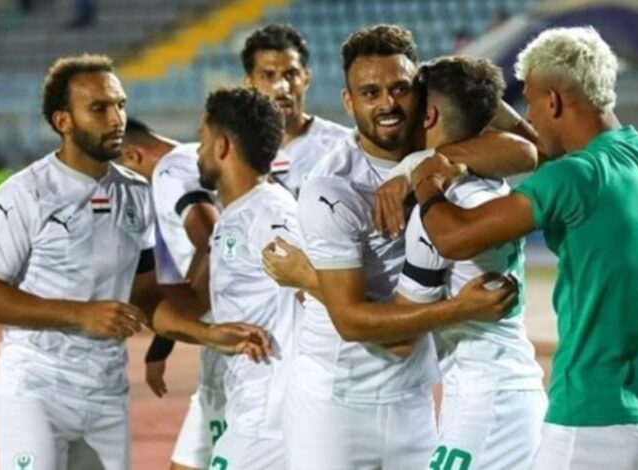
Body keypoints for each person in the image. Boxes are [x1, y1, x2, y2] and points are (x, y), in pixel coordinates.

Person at [0, 54, 266, 470]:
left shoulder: (136, 193)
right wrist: (81, 314)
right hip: (35, 388)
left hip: (106, 393)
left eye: (120, 105)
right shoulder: (24, 194)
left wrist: (207, 333)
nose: (116, 119)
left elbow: (146, 298)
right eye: (99, 108)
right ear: (63, 121)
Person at [408, 27, 638, 470]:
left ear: (553, 101)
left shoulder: (574, 177)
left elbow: (454, 236)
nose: (529, 117)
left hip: (594, 416)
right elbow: (542, 151)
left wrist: (423, 177)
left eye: (532, 102)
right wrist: (489, 106)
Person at [278, 25, 537, 470]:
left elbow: (530, 149)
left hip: (415, 401)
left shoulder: (438, 151)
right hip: (336, 402)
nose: (388, 104)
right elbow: (355, 323)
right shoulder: (332, 186)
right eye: (370, 93)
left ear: (421, 95)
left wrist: (421, 162)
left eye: (400, 88)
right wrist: (460, 309)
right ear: (349, 102)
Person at [394, 56, 546, 470]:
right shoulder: (492, 183)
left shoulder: (441, 208)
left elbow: (401, 335)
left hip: (486, 401)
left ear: (428, 115)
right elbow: (531, 147)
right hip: (500, 390)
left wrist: (312, 282)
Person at [196, 87, 303, 470]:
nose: (197, 151)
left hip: (270, 421)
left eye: (201, 139)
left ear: (222, 145)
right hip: (253, 411)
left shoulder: (269, 214)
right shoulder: (240, 213)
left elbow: (318, 290)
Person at [118, 118, 226, 470]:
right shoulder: (191, 158)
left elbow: (210, 239)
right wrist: (162, 343)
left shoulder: (170, 174)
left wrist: (188, 313)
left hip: (231, 341)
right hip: (222, 339)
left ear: (133, 156)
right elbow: (175, 266)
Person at [241, 24, 351, 196]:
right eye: (268, 75)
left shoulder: (342, 147)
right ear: (250, 83)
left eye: (291, 74)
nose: (282, 87)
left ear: (306, 78)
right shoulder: (236, 152)